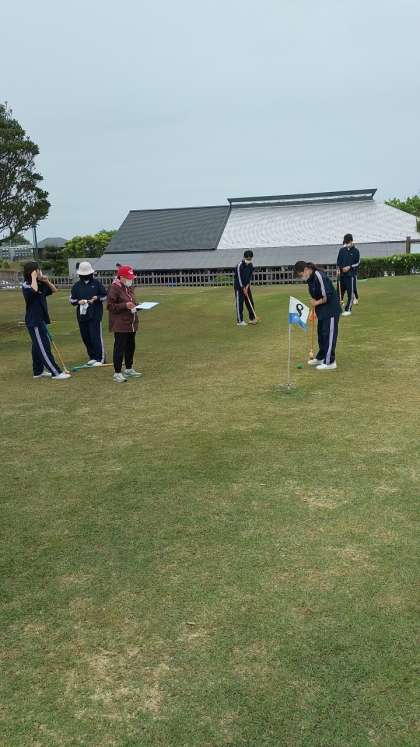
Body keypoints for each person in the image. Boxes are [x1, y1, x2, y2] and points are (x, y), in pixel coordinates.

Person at [21, 261, 71, 380]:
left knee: (37, 346)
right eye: (38, 270)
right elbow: (33, 290)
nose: (40, 272)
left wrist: (46, 281)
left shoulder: (40, 283)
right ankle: (56, 372)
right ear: (33, 272)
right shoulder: (26, 285)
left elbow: (54, 290)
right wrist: (34, 277)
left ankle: (38, 371)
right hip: (34, 321)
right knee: (43, 347)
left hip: (41, 319)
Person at [294, 261, 341, 371]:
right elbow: (315, 296)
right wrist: (313, 309)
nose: (301, 278)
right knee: (322, 334)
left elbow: (327, 296)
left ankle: (330, 362)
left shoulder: (319, 276)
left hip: (331, 309)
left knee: (329, 335)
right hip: (322, 309)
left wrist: (316, 303)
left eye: (301, 275)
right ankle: (321, 357)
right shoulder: (310, 279)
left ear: (306, 270)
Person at [107, 265, 142, 383]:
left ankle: (129, 368)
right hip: (120, 324)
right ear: (121, 277)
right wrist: (125, 305)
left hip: (131, 323)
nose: (130, 280)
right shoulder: (114, 287)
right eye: (128, 278)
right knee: (119, 347)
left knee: (130, 346)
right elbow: (110, 306)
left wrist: (138, 305)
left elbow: (131, 301)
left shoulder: (129, 287)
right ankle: (117, 373)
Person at [69, 261, 108, 366]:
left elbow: (105, 296)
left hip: (95, 314)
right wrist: (78, 302)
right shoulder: (76, 286)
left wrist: (97, 298)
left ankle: (100, 358)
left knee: (95, 336)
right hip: (82, 315)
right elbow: (72, 300)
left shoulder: (97, 284)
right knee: (86, 336)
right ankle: (92, 356)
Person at [337, 233, 360, 316]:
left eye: (347, 242)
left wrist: (349, 267)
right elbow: (338, 261)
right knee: (339, 293)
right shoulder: (342, 250)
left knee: (350, 294)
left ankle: (348, 310)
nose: (346, 244)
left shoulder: (356, 251)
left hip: (350, 276)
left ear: (351, 241)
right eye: (345, 242)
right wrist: (338, 269)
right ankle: (338, 309)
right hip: (341, 276)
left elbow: (357, 263)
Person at [234, 250, 257, 326]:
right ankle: (240, 321)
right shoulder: (239, 265)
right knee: (240, 303)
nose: (249, 260)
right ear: (244, 257)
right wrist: (243, 288)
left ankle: (252, 318)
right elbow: (239, 278)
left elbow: (250, 276)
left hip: (246, 287)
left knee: (250, 302)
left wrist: (247, 287)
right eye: (247, 259)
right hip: (238, 287)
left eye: (250, 259)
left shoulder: (250, 265)